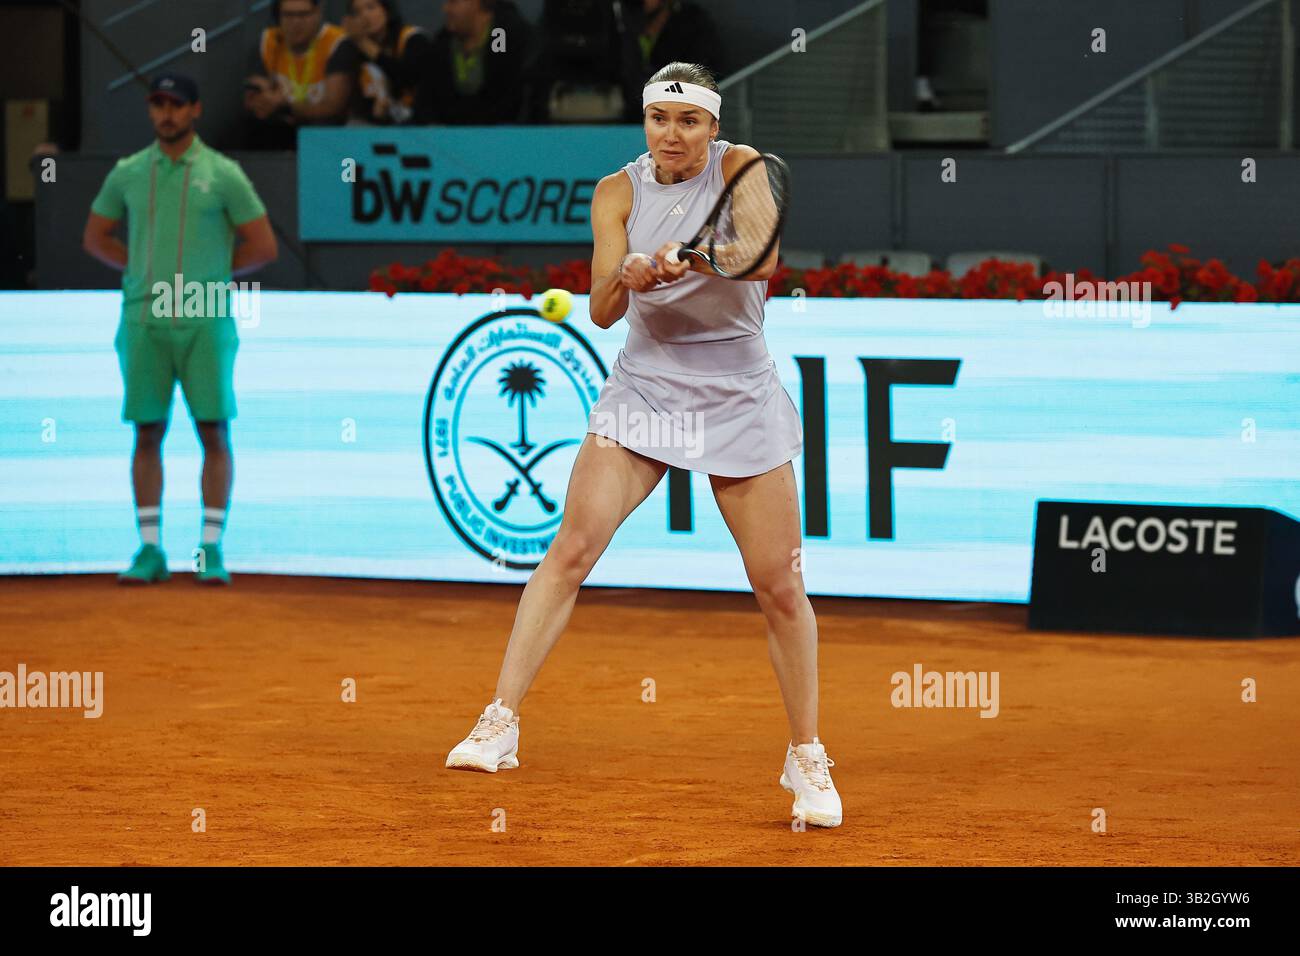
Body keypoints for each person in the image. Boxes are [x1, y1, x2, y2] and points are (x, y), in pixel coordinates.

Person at [445, 62, 843, 828]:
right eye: (659, 118)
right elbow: (598, 309)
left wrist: (681, 257)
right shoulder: (616, 192)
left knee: (780, 588)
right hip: (647, 392)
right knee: (570, 550)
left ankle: (806, 756)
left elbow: (753, 258)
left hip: (737, 397)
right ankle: (500, 721)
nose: (671, 134)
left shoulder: (744, 170)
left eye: (688, 121)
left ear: (713, 128)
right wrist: (626, 273)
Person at [82, 73, 278, 586]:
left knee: (214, 429)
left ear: (195, 110)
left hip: (207, 317)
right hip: (144, 317)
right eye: (157, 105)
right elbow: (95, 236)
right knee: (147, 431)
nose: (166, 113)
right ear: (151, 111)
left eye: (176, 105)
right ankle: (150, 550)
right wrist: (139, 271)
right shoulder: (129, 172)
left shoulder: (223, 173)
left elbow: (262, 246)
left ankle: (210, 550)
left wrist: (208, 274)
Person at [243, 0, 358, 148]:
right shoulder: (268, 40)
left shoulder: (337, 43)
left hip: (324, 128)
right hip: (280, 125)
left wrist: (285, 106)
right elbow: (255, 94)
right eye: (288, 15)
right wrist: (263, 100)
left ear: (318, 12)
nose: (296, 22)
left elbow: (332, 107)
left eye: (303, 15)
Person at [413, 0, 534, 125]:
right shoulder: (440, 47)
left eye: (453, 2)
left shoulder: (513, 41)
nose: (445, 9)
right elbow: (425, 106)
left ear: (476, 3)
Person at [619, 1, 724, 122]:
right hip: (627, 115)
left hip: (682, 107)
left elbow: (704, 73)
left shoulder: (693, 22)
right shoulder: (620, 23)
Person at [342, 0, 431, 124]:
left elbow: (407, 78)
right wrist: (374, 112)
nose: (365, 16)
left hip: (421, 124)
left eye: (371, 7)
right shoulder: (353, 51)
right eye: (357, 12)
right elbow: (356, 101)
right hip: (381, 128)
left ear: (387, 10)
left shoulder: (413, 39)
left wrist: (363, 43)